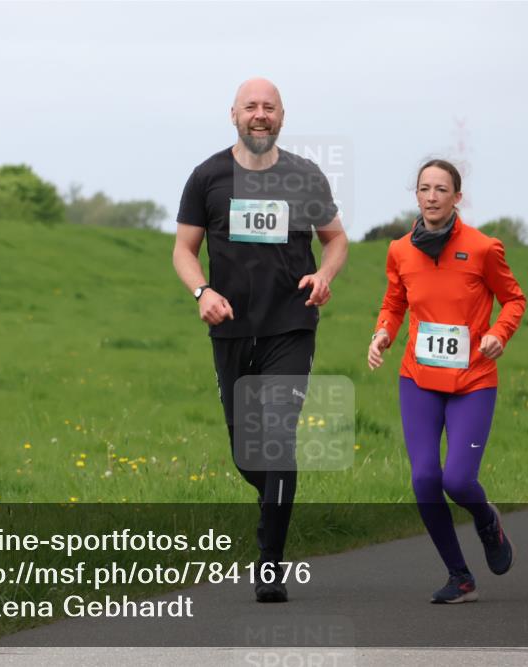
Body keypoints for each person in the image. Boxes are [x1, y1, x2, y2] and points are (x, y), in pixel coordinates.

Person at [172, 78, 348, 603]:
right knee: (247, 453)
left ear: (282, 117)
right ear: (233, 114)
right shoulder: (207, 177)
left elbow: (335, 239)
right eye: (251, 106)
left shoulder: (304, 175)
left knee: (276, 436)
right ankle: (273, 499)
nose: (260, 114)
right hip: (230, 327)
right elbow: (183, 249)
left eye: (269, 107)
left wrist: (325, 277)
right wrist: (201, 290)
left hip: (290, 325)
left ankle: (270, 561)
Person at [368, 159, 525, 603]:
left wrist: (499, 333)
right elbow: (394, 302)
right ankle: (460, 576)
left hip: (473, 380)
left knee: (457, 480)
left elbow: (513, 299)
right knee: (423, 479)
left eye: (441, 189)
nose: (432, 196)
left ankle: (486, 519)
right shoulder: (400, 249)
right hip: (418, 379)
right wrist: (383, 332)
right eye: (424, 188)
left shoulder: (483, 248)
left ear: (457, 197)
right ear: (416, 195)